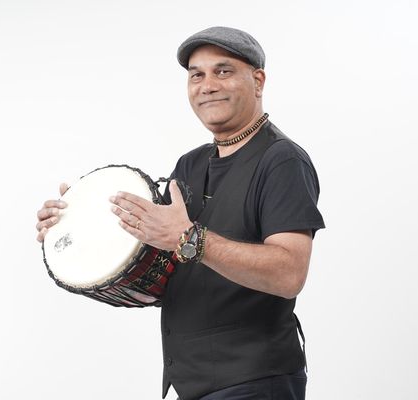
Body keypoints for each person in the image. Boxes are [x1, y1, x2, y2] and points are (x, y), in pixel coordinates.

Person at [36, 26, 325, 400]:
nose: (207, 86)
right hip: (192, 382)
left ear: (258, 81)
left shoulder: (282, 161)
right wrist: (80, 228)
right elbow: (162, 273)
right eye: (196, 75)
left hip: (254, 380)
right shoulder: (189, 165)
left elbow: (289, 274)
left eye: (223, 71)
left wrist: (189, 239)